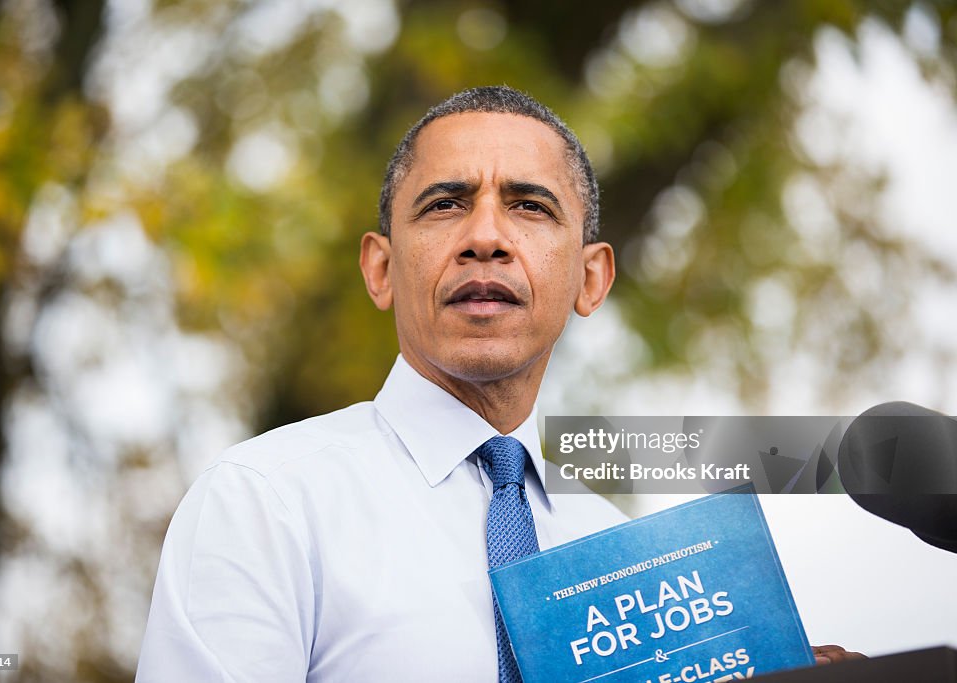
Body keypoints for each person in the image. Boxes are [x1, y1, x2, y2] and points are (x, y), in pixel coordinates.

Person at [136, 86, 861, 681]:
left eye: (530, 205)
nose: (485, 235)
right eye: (445, 203)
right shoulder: (265, 503)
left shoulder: (629, 559)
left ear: (590, 276)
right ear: (381, 269)